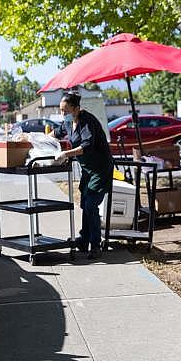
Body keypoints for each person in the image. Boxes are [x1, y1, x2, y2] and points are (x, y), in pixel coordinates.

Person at [53, 92, 113, 259]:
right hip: (88, 170)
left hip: (100, 169)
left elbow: (87, 145)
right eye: (61, 110)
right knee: (85, 204)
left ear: (76, 109)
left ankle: (95, 245)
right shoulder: (68, 122)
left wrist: (66, 154)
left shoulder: (87, 121)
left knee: (91, 205)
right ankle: (84, 239)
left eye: (65, 111)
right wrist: (35, 139)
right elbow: (56, 133)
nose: (62, 114)